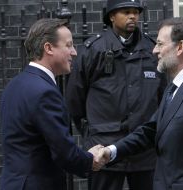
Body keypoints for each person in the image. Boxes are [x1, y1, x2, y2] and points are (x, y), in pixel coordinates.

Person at [101, 17, 183, 190]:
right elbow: (150, 130)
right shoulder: (174, 87)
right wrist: (111, 151)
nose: (154, 50)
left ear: (180, 47)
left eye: (160, 44)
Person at [65, 0, 166, 189]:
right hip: (104, 147)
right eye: (126, 12)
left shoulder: (151, 49)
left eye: (136, 12)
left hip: (144, 149)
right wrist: (91, 133)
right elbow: (74, 100)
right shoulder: (93, 50)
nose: (133, 16)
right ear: (112, 16)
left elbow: (162, 96)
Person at [0, 18, 106, 190]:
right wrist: (90, 159)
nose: (74, 52)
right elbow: (64, 151)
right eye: (69, 45)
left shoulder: (14, 85)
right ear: (48, 48)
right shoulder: (44, 92)